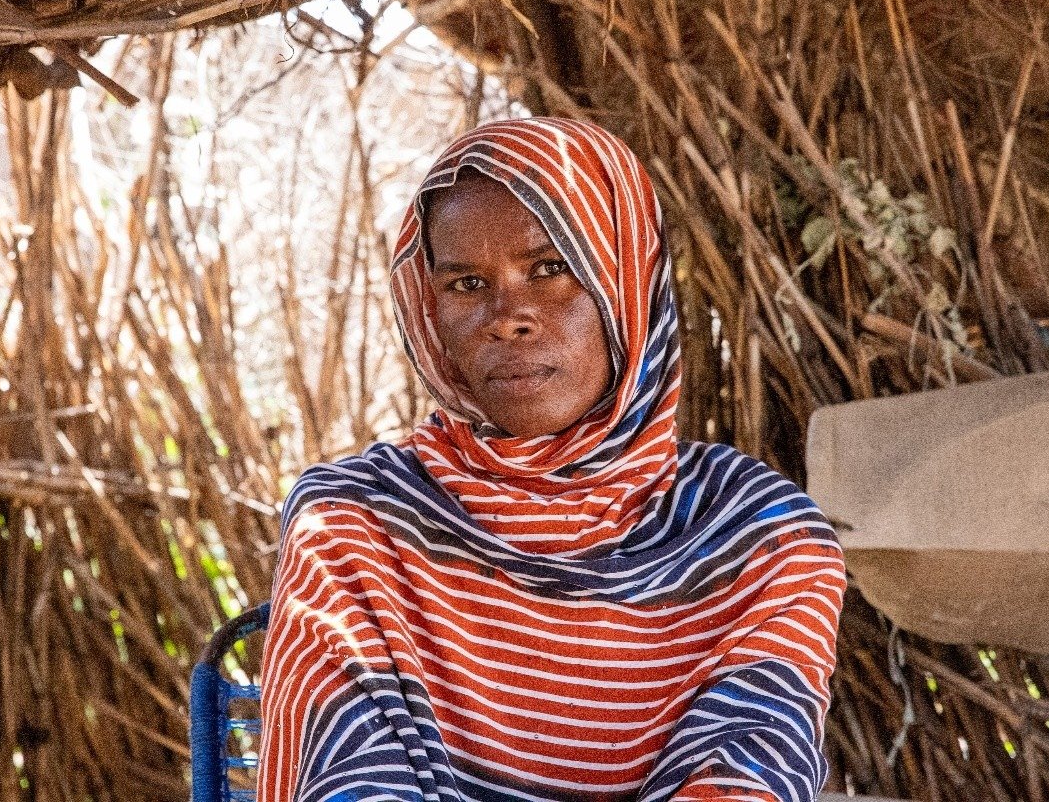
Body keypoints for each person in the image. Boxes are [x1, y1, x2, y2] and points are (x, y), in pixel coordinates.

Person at [256, 118, 846, 802]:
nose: (508, 316)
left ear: (626, 281)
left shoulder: (760, 535)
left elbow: (745, 775)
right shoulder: (352, 524)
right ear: (429, 311)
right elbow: (357, 780)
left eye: (550, 268)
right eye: (467, 284)